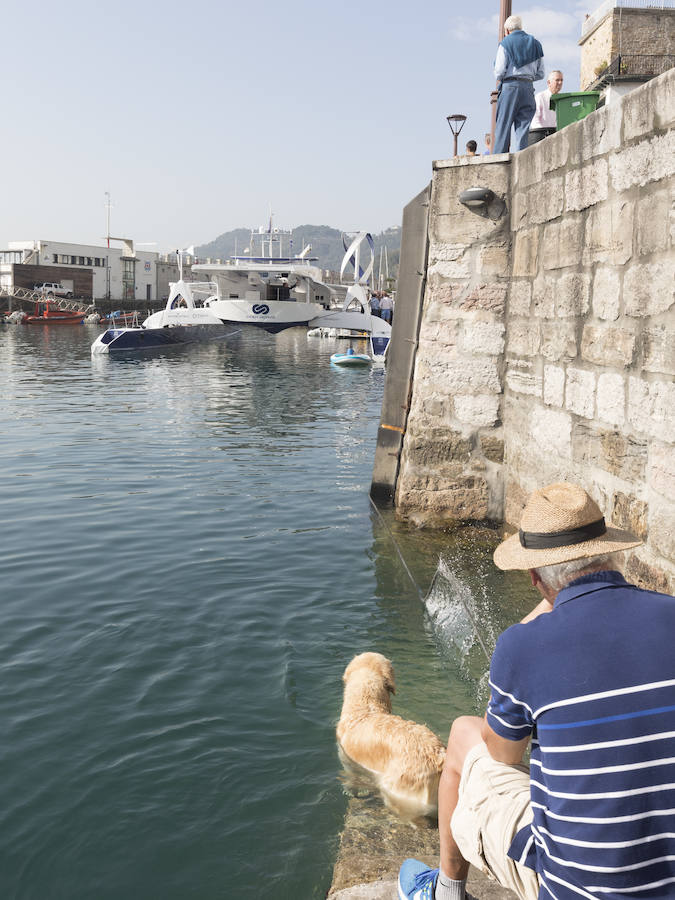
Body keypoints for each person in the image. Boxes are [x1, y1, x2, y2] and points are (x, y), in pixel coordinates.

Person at [398, 481, 675, 900]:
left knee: (462, 737)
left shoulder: (522, 645)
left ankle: (444, 891)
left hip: (578, 889)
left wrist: (536, 621)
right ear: (613, 552)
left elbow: (503, 755)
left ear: (534, 577)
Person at [493, 15, 544, 154]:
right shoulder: (535, 44)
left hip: (510, 86)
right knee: (523, 126)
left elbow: (499, 72)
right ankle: (522, 158)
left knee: (503, 125)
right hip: (528, 88)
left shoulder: (505, 43)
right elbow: (541, 73)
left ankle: (499, 159)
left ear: (508, 30)